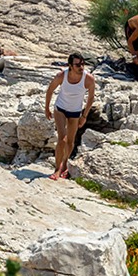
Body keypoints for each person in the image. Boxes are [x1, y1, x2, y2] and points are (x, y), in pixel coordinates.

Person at [45, 52, 95, 180]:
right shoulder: (62, 75)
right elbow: (50, 90)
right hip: (60, 109)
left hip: (75, 112)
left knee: (70, 141)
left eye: (83, 63)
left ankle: (65, 164)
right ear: (70, 66)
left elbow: (90, 98)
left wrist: (84, 116)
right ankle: (56, 169)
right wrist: (47, 108)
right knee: (62, 138)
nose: (81, 67)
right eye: (77, 64)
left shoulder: (88, 78)